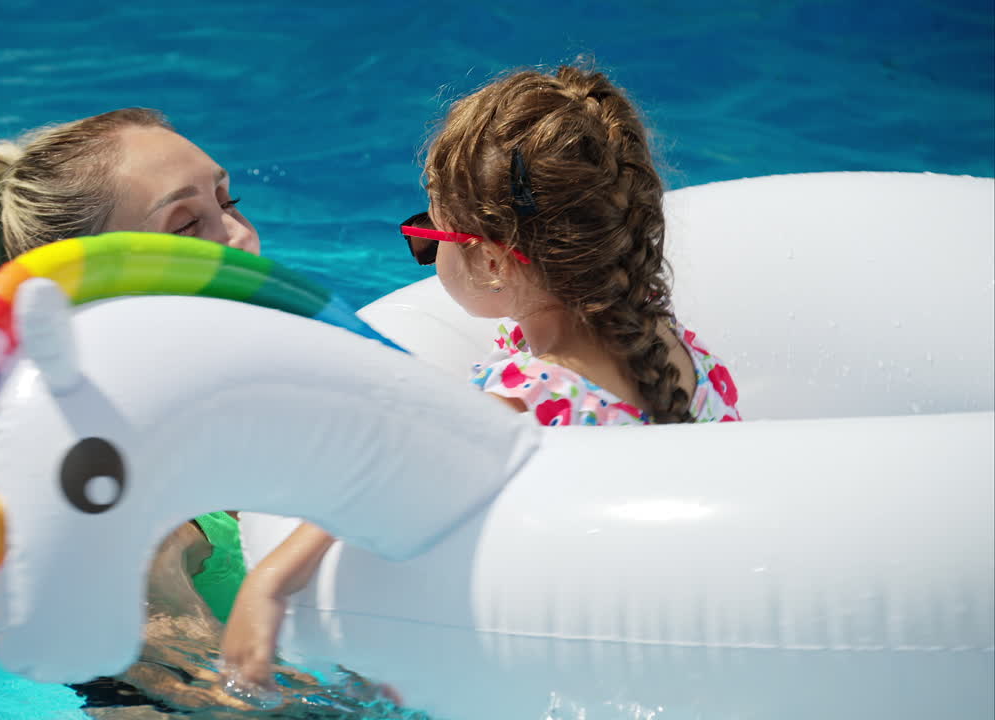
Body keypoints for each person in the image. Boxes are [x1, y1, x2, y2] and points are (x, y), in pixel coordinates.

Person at [220, 63, 741, 693]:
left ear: (492, 261)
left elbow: (389, 464)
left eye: (427, 234)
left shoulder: (532, 394)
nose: (424, 250)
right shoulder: (678, 351)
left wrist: (271, 579)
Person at [0, 107, 260, 710]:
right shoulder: (116, 494)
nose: (240, 234)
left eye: (228, 198)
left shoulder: (239, 408)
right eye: (186, 225)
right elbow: (214, 693)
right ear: (82, 288)